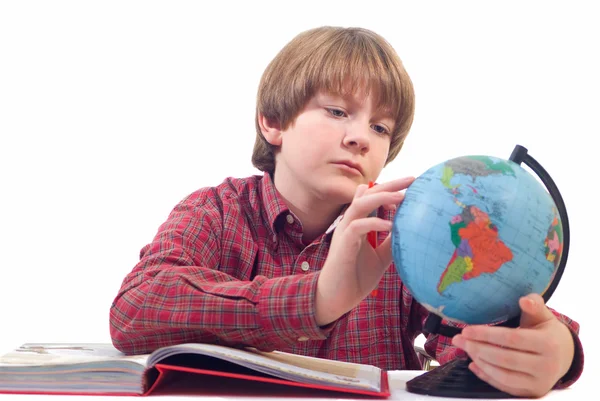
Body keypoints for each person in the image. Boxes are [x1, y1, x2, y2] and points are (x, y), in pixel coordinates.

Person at [109, 26, 584, 398]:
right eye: (337, 112)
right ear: (273, 122)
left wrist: (555, 351)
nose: (361, 137)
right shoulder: (216, 210)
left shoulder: (405, 237)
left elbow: (472, 329)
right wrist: (317, 299)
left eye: (380, 127)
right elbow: (133, 311)